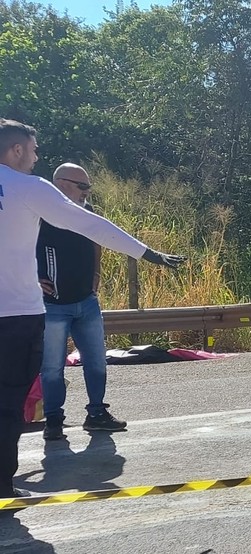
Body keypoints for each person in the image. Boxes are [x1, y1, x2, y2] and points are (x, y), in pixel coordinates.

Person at [0, 119, 185, 504]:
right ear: (16, 150)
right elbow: (89, 224)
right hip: (18, 316)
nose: (36, 158)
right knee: (8, 404)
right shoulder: (30, 187)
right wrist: (147, 253)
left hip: (46, 306)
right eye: (33, 150)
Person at [37, 163, 127, 440]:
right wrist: (31, 278)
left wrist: (96, 275)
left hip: (86, 302)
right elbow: (14, 248)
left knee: (97, 361)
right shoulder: (39, 214)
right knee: (52, 368)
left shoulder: (86, 211)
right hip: (53, 305)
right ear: (62, 185)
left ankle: (97, 413)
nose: (87, 192)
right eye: (83, 186)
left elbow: (96, 241)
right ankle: (54, 420)